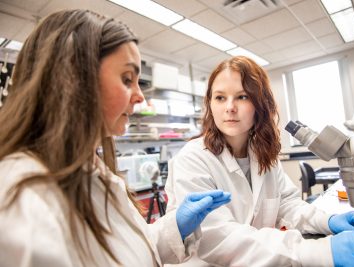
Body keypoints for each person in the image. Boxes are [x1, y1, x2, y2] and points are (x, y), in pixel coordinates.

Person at [0, 9, 231, 267]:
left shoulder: (93, 172)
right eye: (126, 79)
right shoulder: (23, 202)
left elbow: (127, 254)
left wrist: (174, 227)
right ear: (73, 80)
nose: (140, 96)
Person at [165, 55, 354, 266]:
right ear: (210, 104)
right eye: (219, 97)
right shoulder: (192, 159)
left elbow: (288, 205)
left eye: (242, 96)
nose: (229, 108)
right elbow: (219, 239)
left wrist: (329, 220)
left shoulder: (262, 154)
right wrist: (320, 251)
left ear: (260, 104)